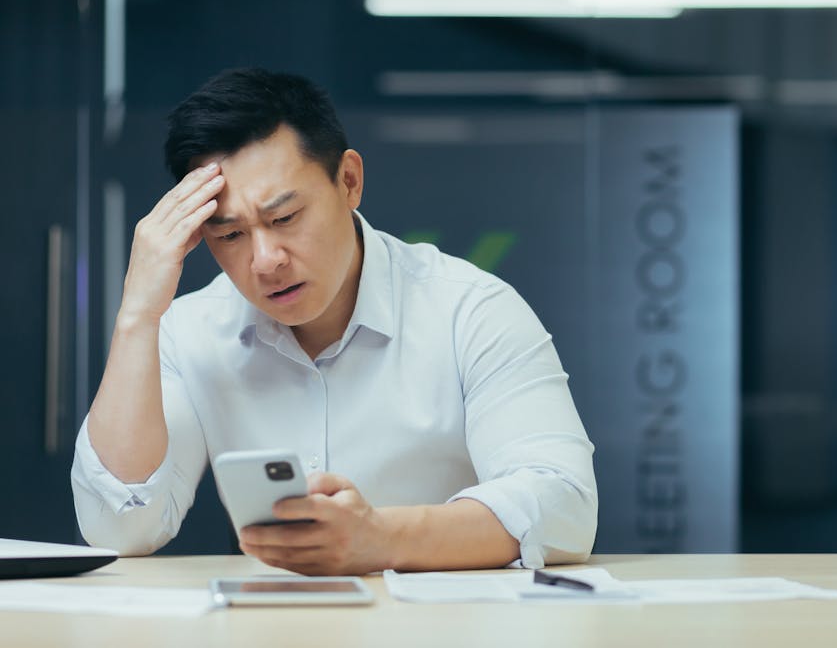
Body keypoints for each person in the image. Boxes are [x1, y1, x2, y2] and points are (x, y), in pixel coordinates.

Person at [71, 68, 597, 576]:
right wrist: (138, 314)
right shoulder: (190, 330)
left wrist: (381, 540)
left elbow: (563, 503)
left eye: (284, 218)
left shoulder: (470, 309)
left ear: (348, 181)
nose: (265, 260)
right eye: (229, 235)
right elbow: (120, 527)